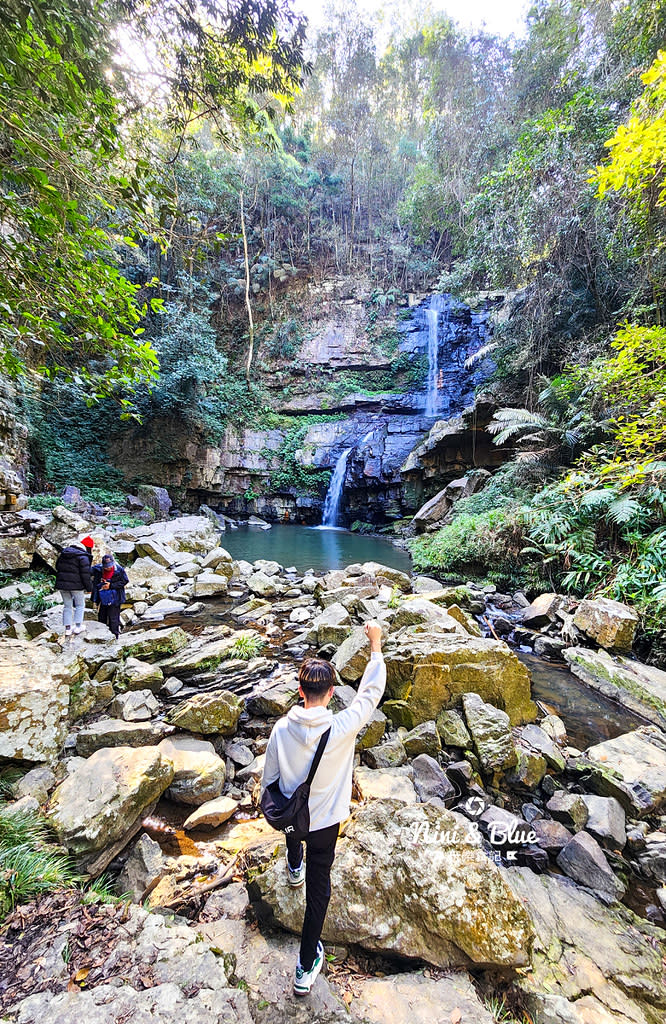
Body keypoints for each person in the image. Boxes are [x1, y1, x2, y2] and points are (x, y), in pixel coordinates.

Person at [261, 621, 386, 997]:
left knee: (293, 814)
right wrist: (375, 645)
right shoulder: (343, 725)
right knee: (320, 886)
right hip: (327, 822)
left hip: (293, 822)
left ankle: (292, 865)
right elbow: (370, 694)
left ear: (300, 691)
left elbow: (273, 780)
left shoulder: (282, 729)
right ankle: (304, 966)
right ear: (330, 693)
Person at [54, 536, 94, 637]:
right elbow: (86, 575)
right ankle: (77, 627)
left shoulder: (64, 553)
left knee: (67, 606)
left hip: (62, 585)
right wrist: (89, 588)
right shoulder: (83, 557)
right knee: (80, 605)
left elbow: (57, 566)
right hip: (77, 586)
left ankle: (68, 628)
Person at [91, 553, 129, 638]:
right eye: (106, 566)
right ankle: (102, 636)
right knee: (102, 616)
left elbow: (125, 581)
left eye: (110, 566)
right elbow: (87, 571)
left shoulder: (119, 570)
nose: (108, 568)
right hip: (103, 597)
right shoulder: (98, 569)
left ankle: (115, 636)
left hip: (115, 598)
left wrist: (111, 585)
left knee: (113, 618)